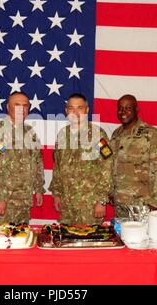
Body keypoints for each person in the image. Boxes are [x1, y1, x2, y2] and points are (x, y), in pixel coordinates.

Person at [49, 93, 113, 225]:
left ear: (87, 110)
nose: (75, 112)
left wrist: (101, 201)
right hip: (67, 203)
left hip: (89, 205)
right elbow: (58, 166)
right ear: (66, 111)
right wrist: (56, 193)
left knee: (89, 241)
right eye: (71, 108)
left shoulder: (98, 134)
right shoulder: (62, 135)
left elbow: (108, 167)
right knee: (67, 241)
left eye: (80, 108)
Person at [0, 92, 44, 224]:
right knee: (0, 240)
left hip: (23, 201)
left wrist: (39, 189)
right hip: (5, 202)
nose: (21, 109)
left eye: (25, 106)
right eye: (17, 105)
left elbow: (37, 161)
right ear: (7, 107)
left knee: (21, 240)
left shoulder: (30, 133)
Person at [110, 94, 157, 217]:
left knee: (142, 237)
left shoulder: (151, 134)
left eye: (128, 108)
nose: (123, 112)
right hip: (120, 204)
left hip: (142, 205)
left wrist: (156, 201)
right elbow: (113, 167)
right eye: (120, 108)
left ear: (136, 110)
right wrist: (111, 192)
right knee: (121, 236)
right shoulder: (116, 134)